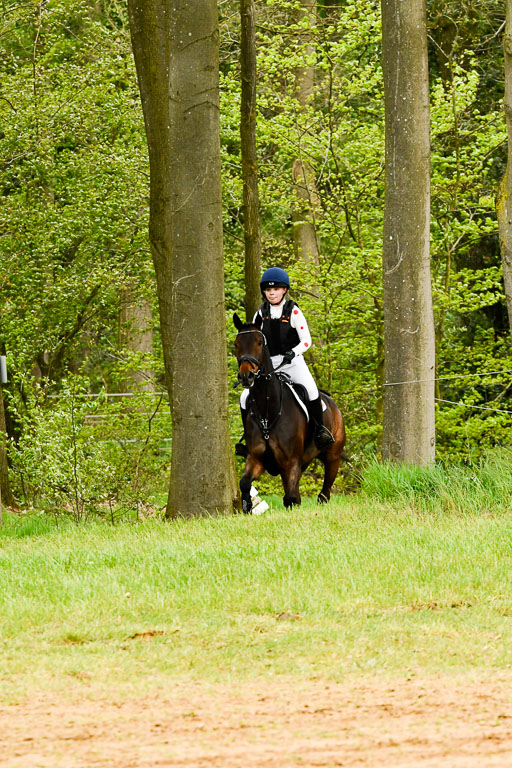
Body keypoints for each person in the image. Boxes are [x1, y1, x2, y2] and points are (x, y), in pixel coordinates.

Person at [236, 266, 335, 454]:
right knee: (244, 397)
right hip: (268, 364)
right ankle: (247, 437)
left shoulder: (293, 311)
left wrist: (293, 352)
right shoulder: (260, 313)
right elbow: (254, 340)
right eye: (268, 290)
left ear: (284, 290)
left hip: (293, 362)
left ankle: (320, 431)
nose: (271, 293)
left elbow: (307, 341)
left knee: (312, 391)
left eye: (275, 290)